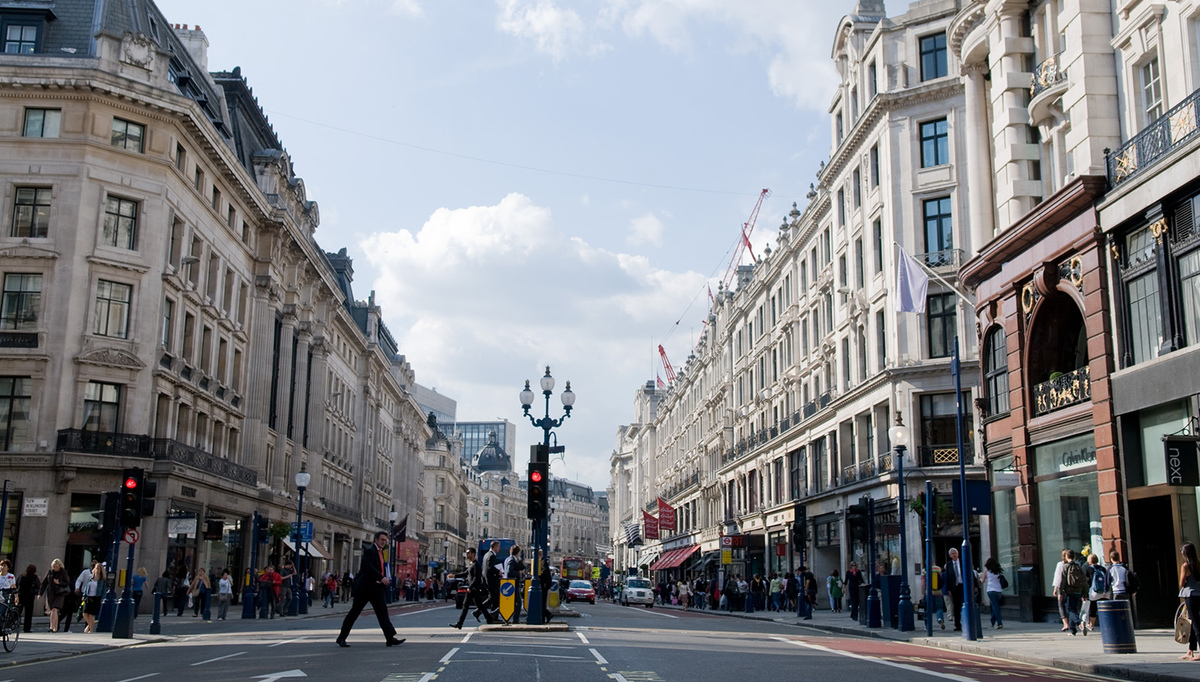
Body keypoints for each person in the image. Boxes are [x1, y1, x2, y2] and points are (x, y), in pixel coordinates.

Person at [336, 531, 404, 647]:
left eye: (385, 540)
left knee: (383, 613)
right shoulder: (370, 551)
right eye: (382, 540)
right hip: (365, 588)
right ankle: (342, 637)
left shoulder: (380, 552)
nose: (384, 542)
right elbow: (368, 567)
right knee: (354, 613)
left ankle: (390, 637)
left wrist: (383, 578)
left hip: (377, 588)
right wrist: (382, 578)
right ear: (376, 540)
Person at [450, 547, 496, 629]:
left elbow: (476, 578)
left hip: (473, 589)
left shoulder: (476, 565)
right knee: (480, 605)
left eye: (468, 553)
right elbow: (465, 573)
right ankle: (489, 619)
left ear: (473, 554)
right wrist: (454, 575)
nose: (467, 554)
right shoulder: (471, 564)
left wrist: (470, 587)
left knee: (465, 606)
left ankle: (460, 623)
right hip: (473, 589)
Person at [1053, 549, 1085, 635]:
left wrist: (1060, 592)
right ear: (1074, 557)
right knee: (1074, 609)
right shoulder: (1079, 566)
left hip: (1069, 592)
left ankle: (1079, 623)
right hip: (1078, 591)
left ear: (1066, 557)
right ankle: (1072, 630)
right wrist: (1084, 593)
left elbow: (1062, 581)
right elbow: (1084, 581)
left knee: (1070, 609)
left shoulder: (1065, 567)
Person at [1178, 542, 1200, 660]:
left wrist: (1185, 578)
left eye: (1182, 551)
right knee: (1193, 623)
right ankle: (1190, 650)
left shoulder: (1186, 566)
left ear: (1185, 552)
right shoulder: (1198, 564)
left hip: (1190, 595)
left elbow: (1181, 584)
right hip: (1198, 594)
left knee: (1196, 624)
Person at [40, 558, 69, 633]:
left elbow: (67, 582)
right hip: (51, 593)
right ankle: (53, 627)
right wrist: (40, 594)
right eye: (54, 566)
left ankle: (53, 627)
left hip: (60, 593)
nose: (55, 568)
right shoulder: (50, 572)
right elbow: (44, 583)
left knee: (54, 609)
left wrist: (59, 582)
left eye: (56, 566)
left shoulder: (63, 572)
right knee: (52, 610)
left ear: (60, 566)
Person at [942, 548, 967, 631]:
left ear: (958, 554)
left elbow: (968, 573)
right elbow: (948, 578)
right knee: (956, 606)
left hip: (963, 585)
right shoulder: (948, 565)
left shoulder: (963, 562)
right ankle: (958, 625)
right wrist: (948, 589)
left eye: (955, 553)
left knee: (965, 604)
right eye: (952, 554)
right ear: (950, 556)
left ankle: (967, 622)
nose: (954, 555)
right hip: (954, 587)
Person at [1083, 553, 1107, 633]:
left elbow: (1088, 582)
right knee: (1104, 608)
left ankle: (1091, 625)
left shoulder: (1089, 569)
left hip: (1094, 592)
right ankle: (1106, 623)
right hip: (1104, 592)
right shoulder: (1102, 568)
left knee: (1093, 608)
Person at [981, 557, 1005, 629]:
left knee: (995, 606)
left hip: (990, 590)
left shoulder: (986, 571)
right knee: (994, 605)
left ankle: (999, 623)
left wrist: (978, 579)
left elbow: (983, 581)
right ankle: (992, 621)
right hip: (998, 590)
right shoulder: (998, 571)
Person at [82, 562, 105, 633]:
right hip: (88, 596)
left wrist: (102, 598)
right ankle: (89, 625)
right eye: (96, 568)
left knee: (91, 614)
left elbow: (104, 590)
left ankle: (91, 630)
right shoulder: (90, 577)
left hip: (96, 597)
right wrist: (84, 595)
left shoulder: (102, 580)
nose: (97, 570)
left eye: (99, 569)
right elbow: (86, 587)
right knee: (85, 613)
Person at [16, 564, 39, 633]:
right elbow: (38, 586)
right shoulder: (34, 577)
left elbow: (17, 584)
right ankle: (27, 628)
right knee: (28, 613)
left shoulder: (22, 576)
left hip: (21, 595)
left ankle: (13, 625)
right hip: (29, 596)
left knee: (18, 611)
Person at [481, 540, 503, 613]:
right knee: (493, 598)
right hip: (491, 580)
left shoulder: (486, 555)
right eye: (498, 547)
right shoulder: (491, 556)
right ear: (495, 547)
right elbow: (490, 567)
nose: (499, 549)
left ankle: (493, 615)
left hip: (487, 579)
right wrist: (498, 572)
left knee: (494, 598)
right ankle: (479, 611)